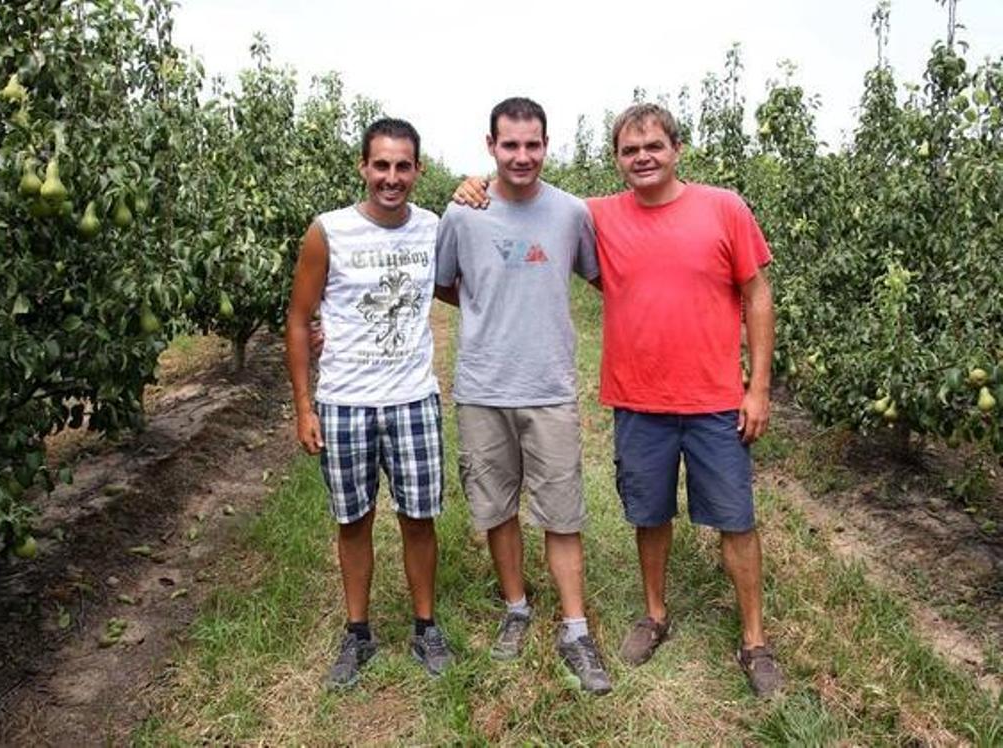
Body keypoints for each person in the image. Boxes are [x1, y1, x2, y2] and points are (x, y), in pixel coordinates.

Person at [455, 103, 783, 697]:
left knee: (736, 519)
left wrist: (757, 387)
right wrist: (472, 186)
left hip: (714, 399)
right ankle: (655, 615)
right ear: (617, 159)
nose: (643, 158)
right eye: (630, 151)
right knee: (648, 514)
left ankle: (755, 642)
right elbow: (525, 206)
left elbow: (758, 294)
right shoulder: (595, 215)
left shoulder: (724, 207)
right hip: (638, 398)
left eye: (654, 146)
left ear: (677, 148)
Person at [434, 97, 611, 695]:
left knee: (561, 511)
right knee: (497, 506)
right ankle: (516, 607)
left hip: (550, 387)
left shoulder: (570, 213)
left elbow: (599, 278)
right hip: (483, 386)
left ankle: (575, 627)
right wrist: (492, 310)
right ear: (490, 147)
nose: (522, 156)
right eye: (510, 145)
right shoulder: (461, 215)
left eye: (532, 145)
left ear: (546, 144)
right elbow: (447, 287)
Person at [285, 117, 452, 689]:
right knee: (353, 520)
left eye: (403, 166)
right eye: (381, 164)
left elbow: (459, 283)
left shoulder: (433, 228)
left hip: (411, 399)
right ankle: (358, 633)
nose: (391, 177)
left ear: (418, 171)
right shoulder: (327, 232)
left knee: (419, 519)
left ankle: (425, 626)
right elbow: (298, 317)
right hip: (346, 403)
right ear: (363, 167)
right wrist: (305, 407)